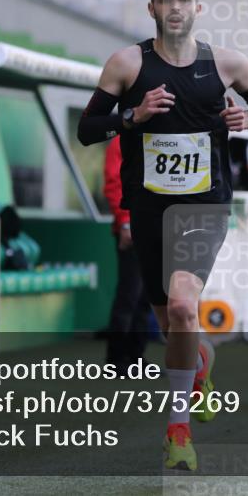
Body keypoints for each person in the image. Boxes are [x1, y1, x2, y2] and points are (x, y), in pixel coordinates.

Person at [77, 0, 248, 471]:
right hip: (148, 208)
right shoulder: (126, 65)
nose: (175, 7)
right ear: (151, 9)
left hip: (203, 206)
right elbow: (87, 129)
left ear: (197, 9)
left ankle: (177, 432)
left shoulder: (227, 64)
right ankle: (201, 366)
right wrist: (133, 116)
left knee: (186, 308)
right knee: (174, 327)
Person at [102, 136, 152, 370]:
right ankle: (116, 359)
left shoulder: (158, 137)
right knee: (130, 295)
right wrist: (124, 222)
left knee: (145, 298)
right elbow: (113, 183)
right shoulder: (120, 141)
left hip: (154, 228)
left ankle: (136, 357)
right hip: (131, 228)